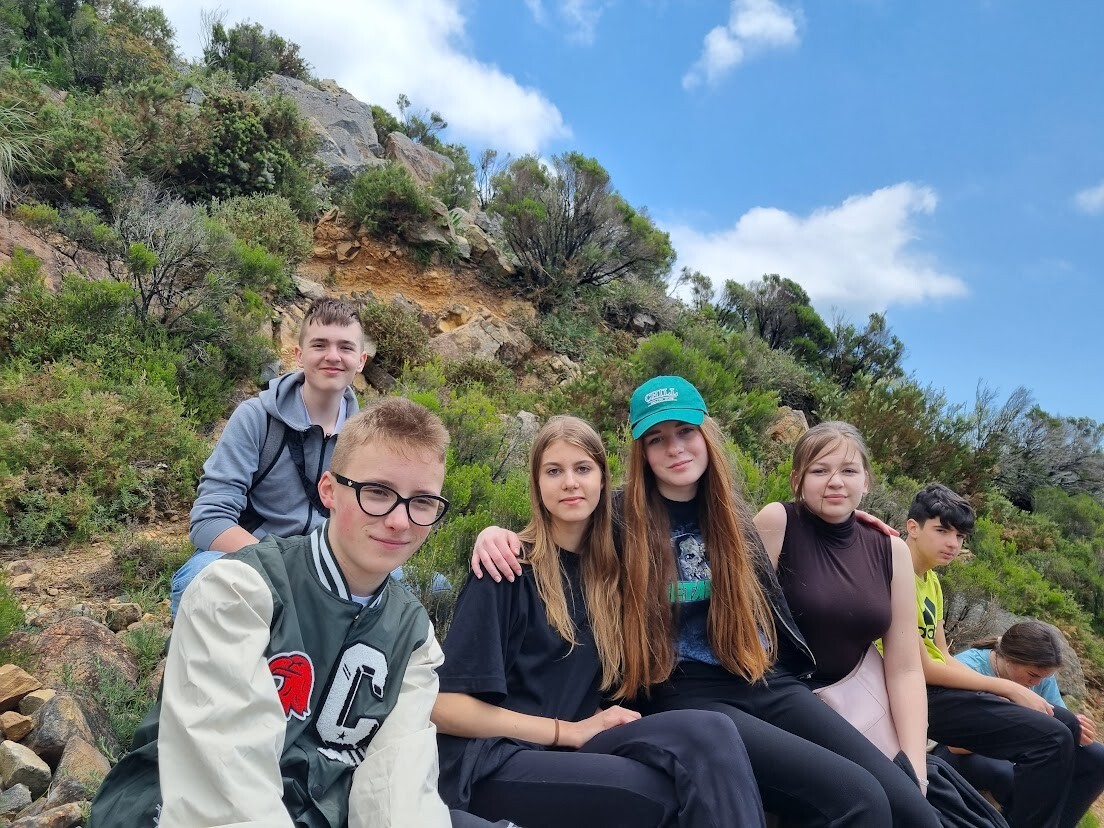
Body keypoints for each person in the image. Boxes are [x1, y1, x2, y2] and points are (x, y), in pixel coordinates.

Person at [473, 377, 937, 827]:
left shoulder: (733, 515)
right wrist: (496, 535)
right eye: (657, 439)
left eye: (685, 431)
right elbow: (556, 527)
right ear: (642, 453)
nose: (675, 448)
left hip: (762, 678)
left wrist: (857, 519)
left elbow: (812, 522)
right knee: (859, 800)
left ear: (705, 435)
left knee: (909, 806)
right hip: (683, 692)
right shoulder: (616, 515)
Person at [91, 398, 503, 828]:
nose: (400, 521)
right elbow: (224, 784)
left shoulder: (413, 634)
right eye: (377, 492)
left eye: (422, 502)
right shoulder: (237, 591)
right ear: (329, 491)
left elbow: (397, 788)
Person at [434, 415, 765, 828]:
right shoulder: (507, 569)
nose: (570, 483)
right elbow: (444, 706)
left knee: (712, 731)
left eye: (583, 468)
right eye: (554, 471)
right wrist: (567, 732)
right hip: (493, 762)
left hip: (569, 750)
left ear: (604, 482)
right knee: (655, 793)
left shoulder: (611, 575)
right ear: (537, 485)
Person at [753, 422, 930, 784]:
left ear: (866, 481)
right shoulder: (777, 522)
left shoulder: (891, 550)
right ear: (797, 480)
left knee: (920, 799)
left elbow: (906, 668)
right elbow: (737, 619)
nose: (835, 482)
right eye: (820, 471)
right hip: (781, 702)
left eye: (849, 471)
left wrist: (916, 767)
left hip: (858, 707)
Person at [171, 296, 369, 616]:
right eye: (319, 345)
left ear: (360, 361)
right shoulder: (255, 418)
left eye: (345, 347)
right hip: (256, 558)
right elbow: (209, 520)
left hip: (331, 564)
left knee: (432, 586)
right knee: (198, 579)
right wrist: (286, 571)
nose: (333, 356)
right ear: (299, 354)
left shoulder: (367, 437)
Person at [907, 484, 1076, 828]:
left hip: (939, 689)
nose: (953, 544)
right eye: (942, 531)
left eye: (960, 536)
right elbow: (919, 666)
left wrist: (992, 691)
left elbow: (943, 655)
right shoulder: (899, 576)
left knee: (1067, 724)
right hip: (914, 692)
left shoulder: (932, 582)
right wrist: (1008, 688)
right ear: (913, 527)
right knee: (1052, 738)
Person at [934, 620, 1104, 828]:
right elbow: (955, 745)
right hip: (962, 750)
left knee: (1097, 758)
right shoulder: (969, 666)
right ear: (1008, 658)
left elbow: (1059, 720)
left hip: (1026, 748)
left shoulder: (1039, 676)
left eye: (1045, 677)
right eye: (1033, 675)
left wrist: (1079, 730)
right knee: (1014, 776)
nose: (1037, 683)